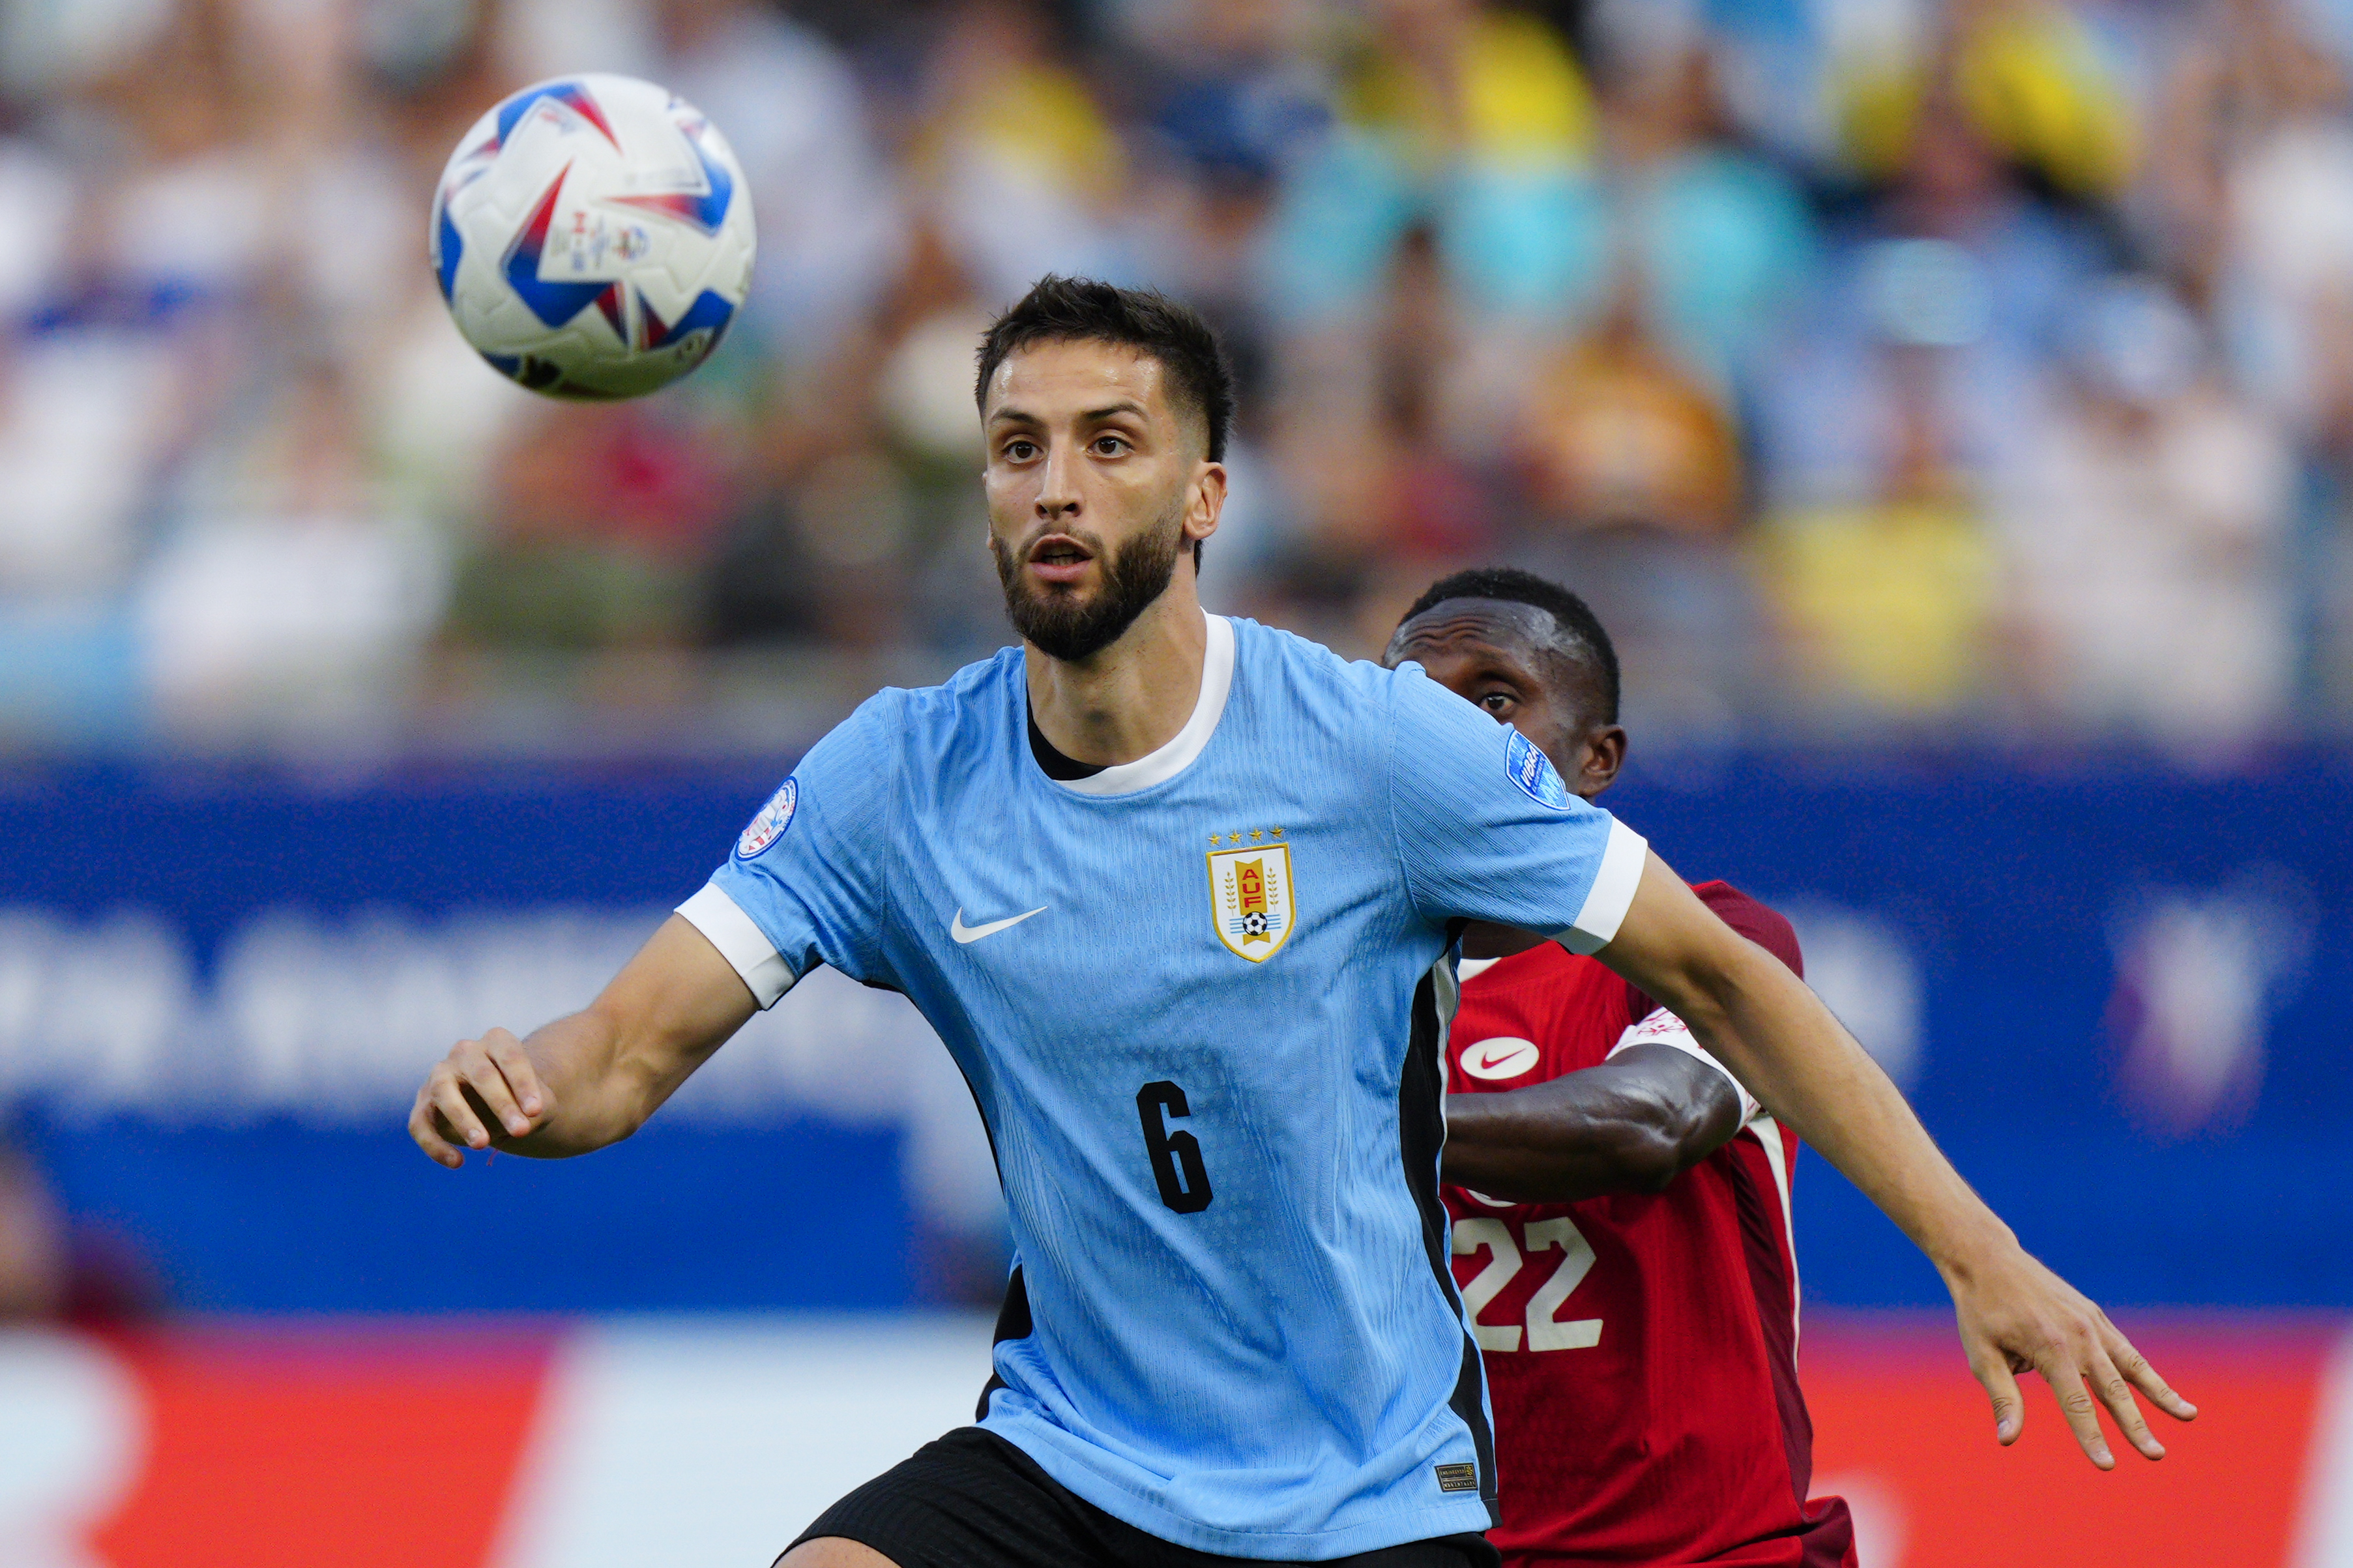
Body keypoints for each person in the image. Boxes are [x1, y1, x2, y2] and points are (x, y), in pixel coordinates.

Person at [409, 278, 2191, 1568]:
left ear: (1201, 501)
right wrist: (526, 1079)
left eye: (1109, 443)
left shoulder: (1370, 748)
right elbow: (623, 1046)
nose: (1053, 482)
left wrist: (1979, 1253)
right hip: (1076, 1462)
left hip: (1362, 1496)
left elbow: (1719, 987)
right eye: (1015, 444)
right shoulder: (893, 776)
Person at [1385, 569, 1850, 1566]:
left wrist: (1341, 1114)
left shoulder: (1718, 940)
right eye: (1409, 701)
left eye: (1495, 698)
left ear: (1596, 759)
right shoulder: (1332, 975)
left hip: (1709, 1552)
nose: (1441, 734)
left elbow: (1646, 1125)